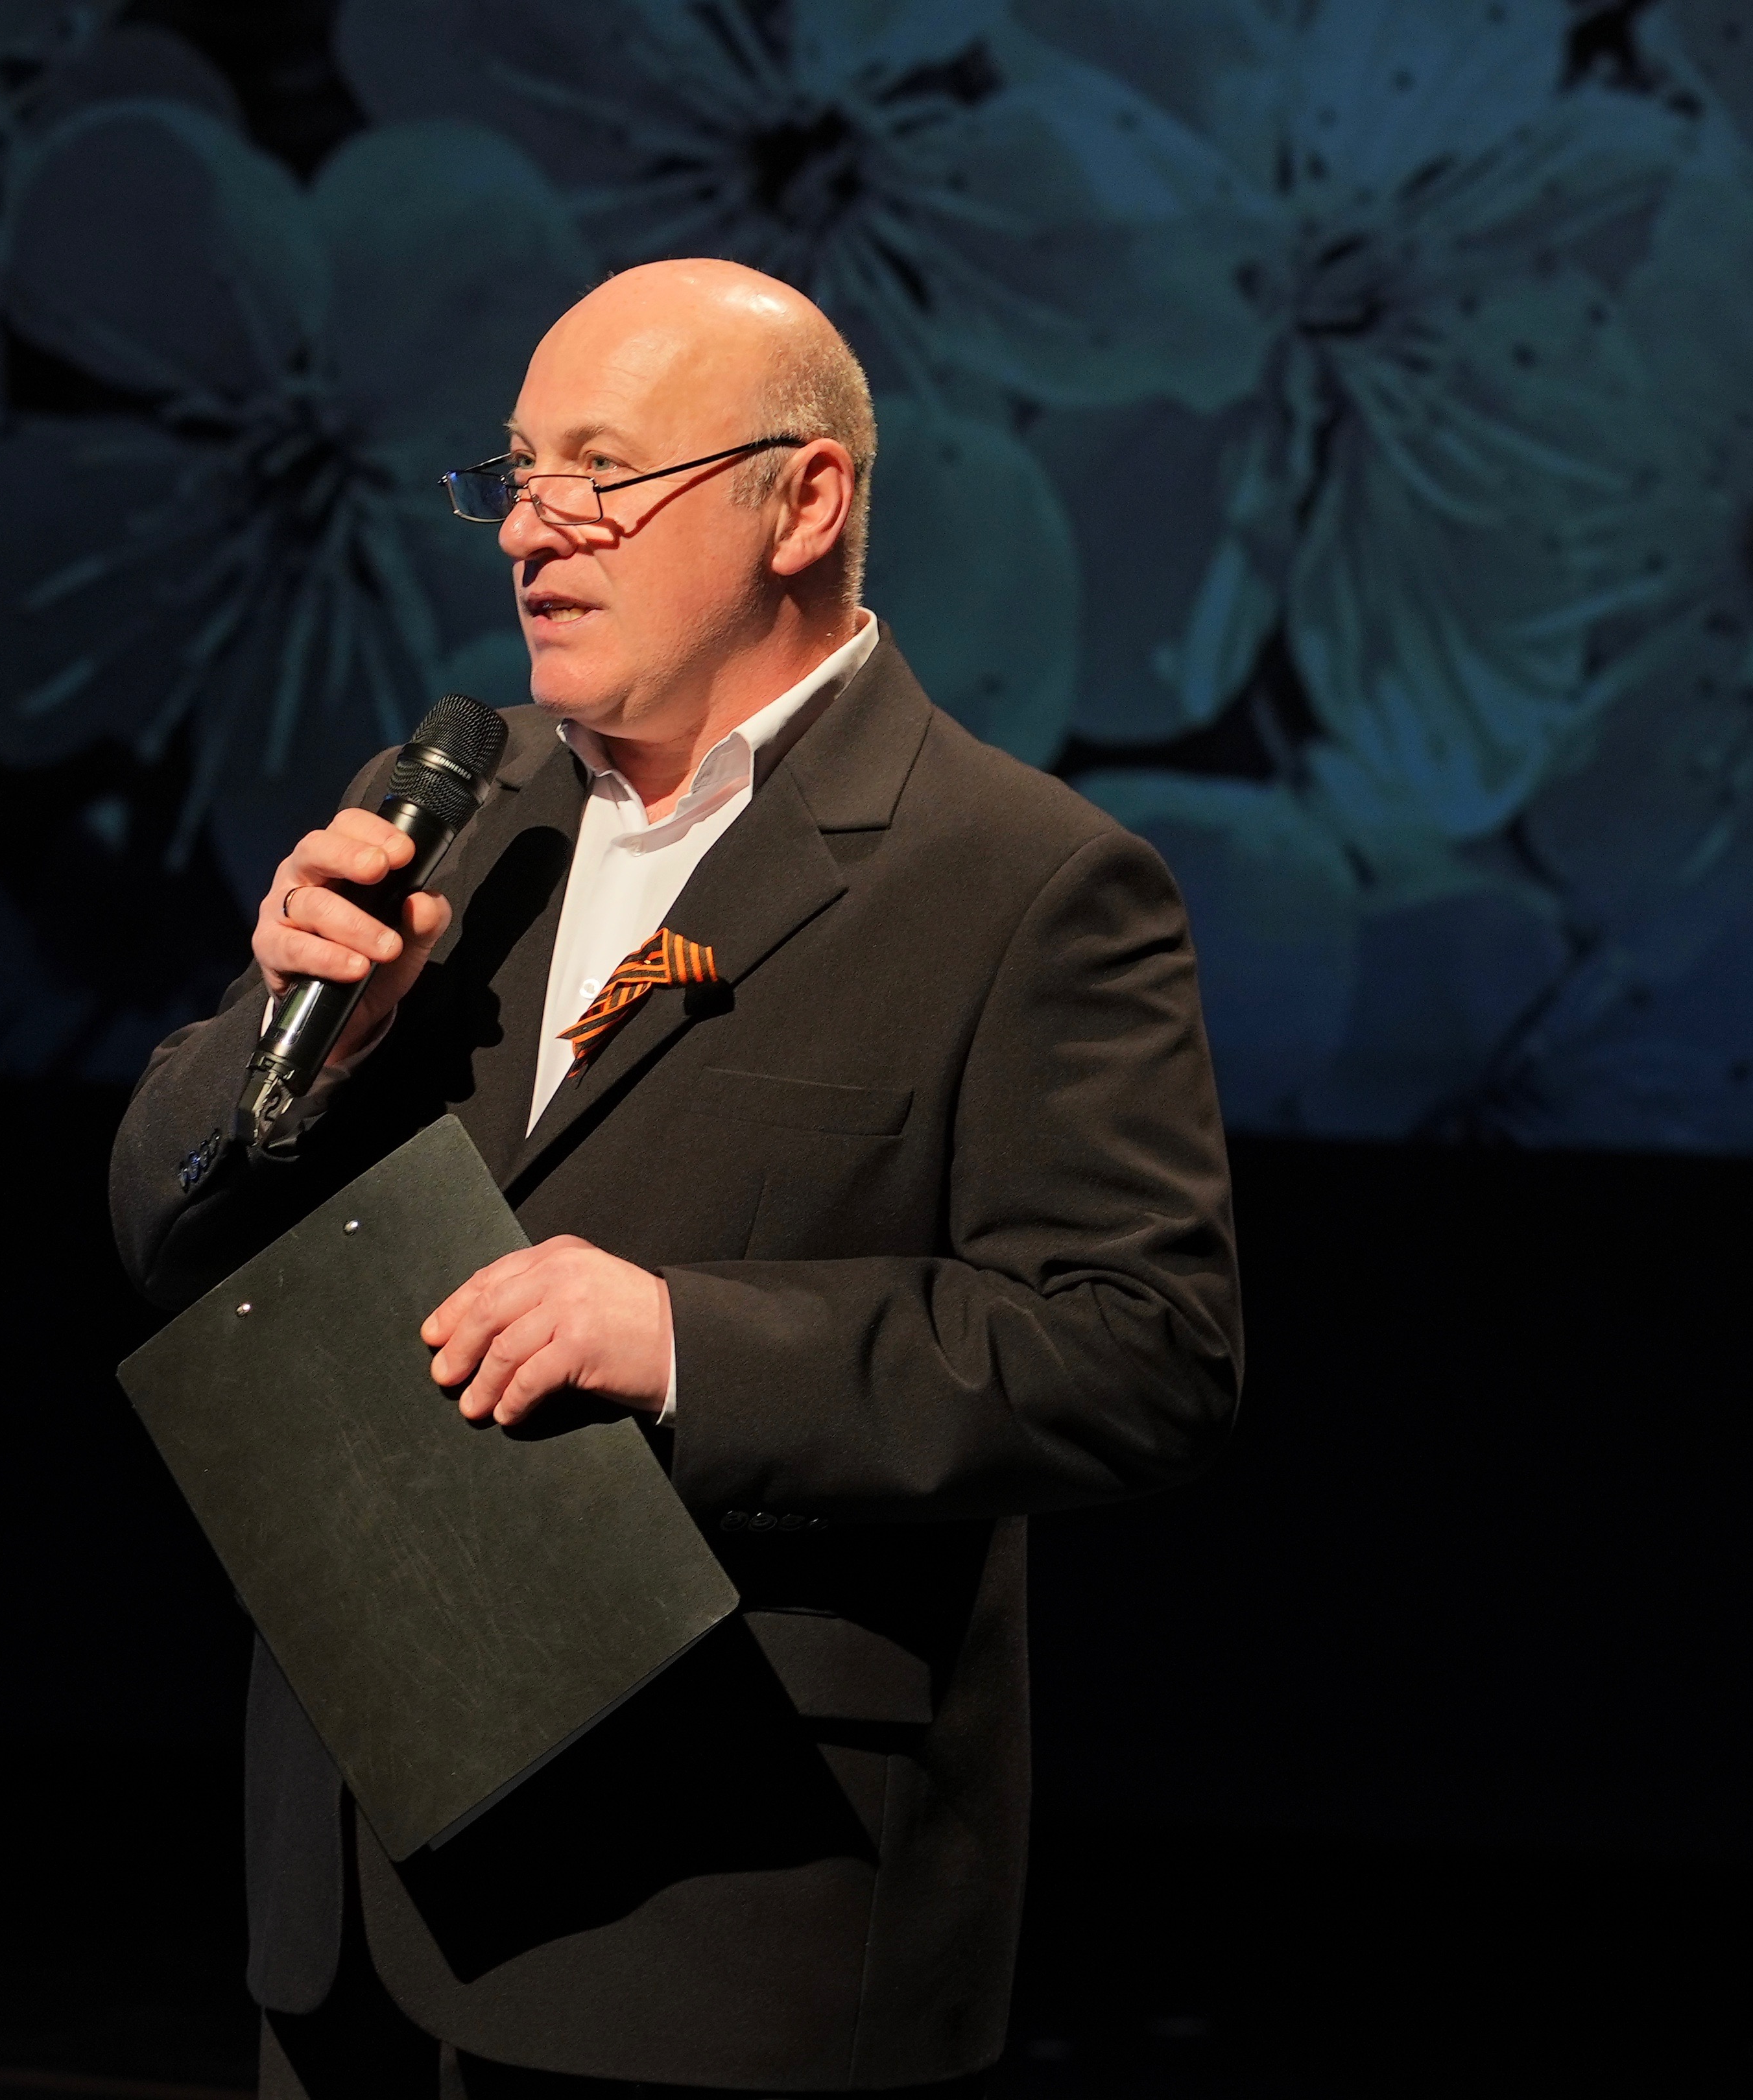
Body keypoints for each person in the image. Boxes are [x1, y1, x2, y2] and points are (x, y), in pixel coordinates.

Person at [108, 258, 1242, 2095]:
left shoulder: (1021, 880)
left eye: (603, 471)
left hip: (713, 1912)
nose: (529, 529)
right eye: (514, 474)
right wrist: (302, 1051)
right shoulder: (453, 816)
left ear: (804, 501)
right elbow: (164, 1230)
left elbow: (1140, 1351)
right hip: (350, 1898)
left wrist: (682, 1344)